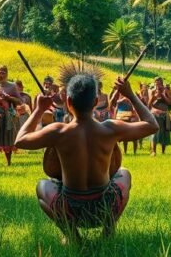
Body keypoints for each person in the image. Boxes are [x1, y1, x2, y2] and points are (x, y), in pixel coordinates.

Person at [14, 62, 158, 243]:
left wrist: (39, 110)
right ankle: (108, 230)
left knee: (41, 186)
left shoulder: (58, 131)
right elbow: (152, 125)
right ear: (96, 102)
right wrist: (130, 95)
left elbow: (20, 140)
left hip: (70, 209)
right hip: (106, 206)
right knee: (125, 174)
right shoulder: (110, 128)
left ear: (68, 102)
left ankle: (73, 237)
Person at [147, 77, 171, 156]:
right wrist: (154, 97)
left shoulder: (167, 91)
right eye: (156, 83)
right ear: (155, 83)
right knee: (154, 132)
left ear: (162, 84)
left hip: (165, 114)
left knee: (164, 132)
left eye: (159, 83)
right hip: (155, 114)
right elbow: (149, 105)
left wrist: (163, 95)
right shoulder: (152, 91)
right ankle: (153, 151)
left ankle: (163, 151)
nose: (158, 85)